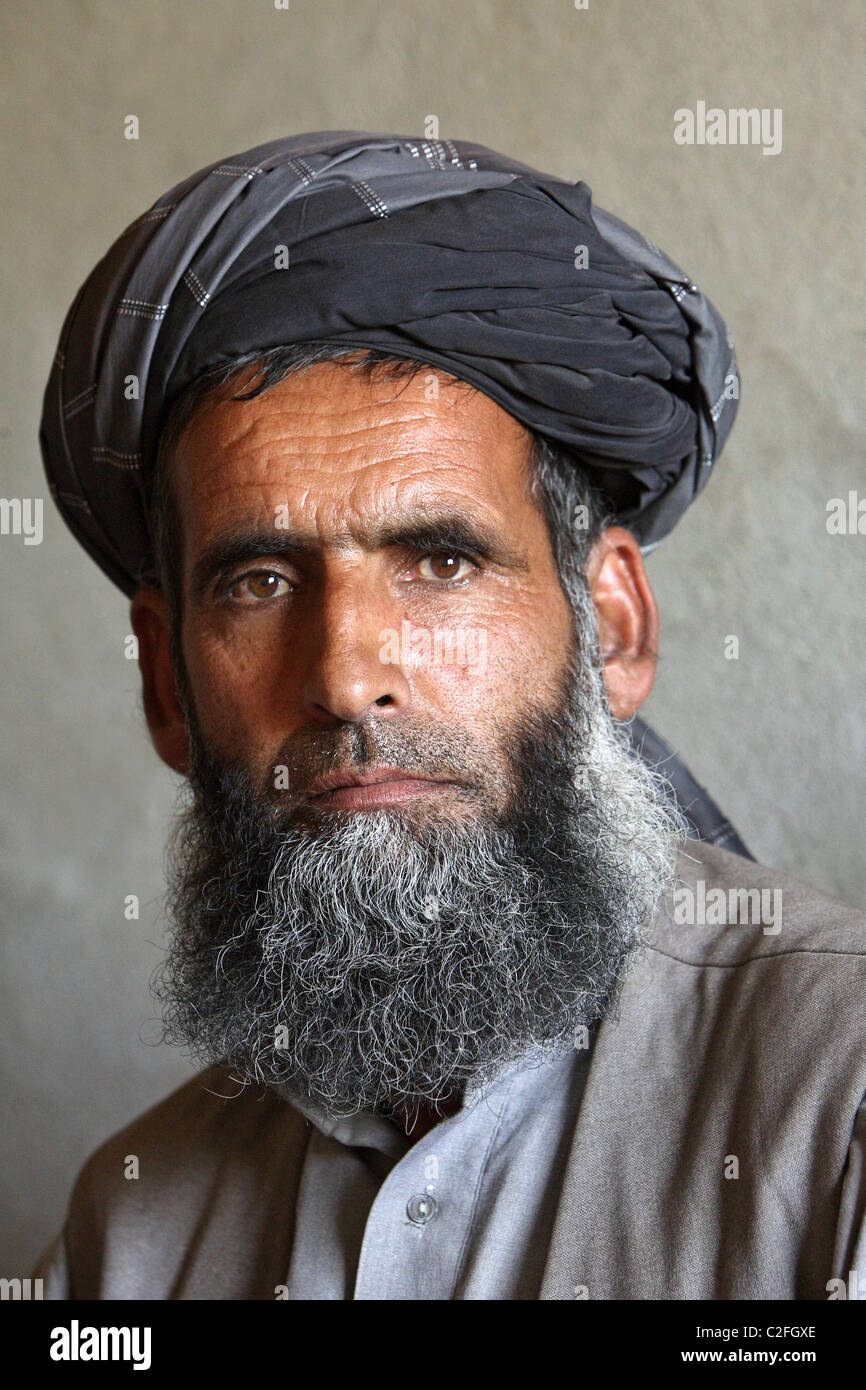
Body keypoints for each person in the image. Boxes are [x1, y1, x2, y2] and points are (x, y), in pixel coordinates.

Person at [34, 131, 866, 1300]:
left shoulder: (837, 1101)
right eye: (258, 581)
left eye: (439, 559)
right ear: (167, 688)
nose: (341, 674)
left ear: (612, 627)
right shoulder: (132, 1236)